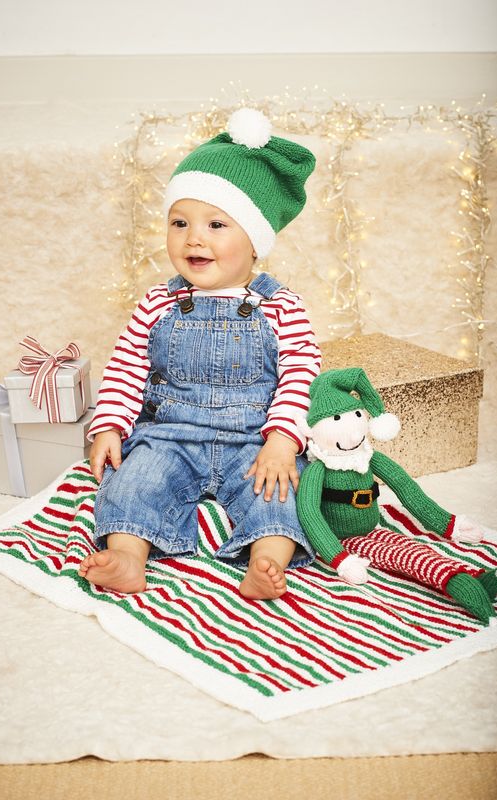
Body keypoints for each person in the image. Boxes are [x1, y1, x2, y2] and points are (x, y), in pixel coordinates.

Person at [78, 108, 321, 600]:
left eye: (216, 224)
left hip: (254, 440)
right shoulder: (158, 302)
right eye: (180, 221)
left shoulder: (280, 306)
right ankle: (127, 557)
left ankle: (266, 562)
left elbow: (300, 373)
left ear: (255, 242)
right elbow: (126, 367)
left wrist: (282, 442)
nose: (194, 237)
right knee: (131, 484)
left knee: (279, 493)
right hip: (169, 435)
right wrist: (108, 426)